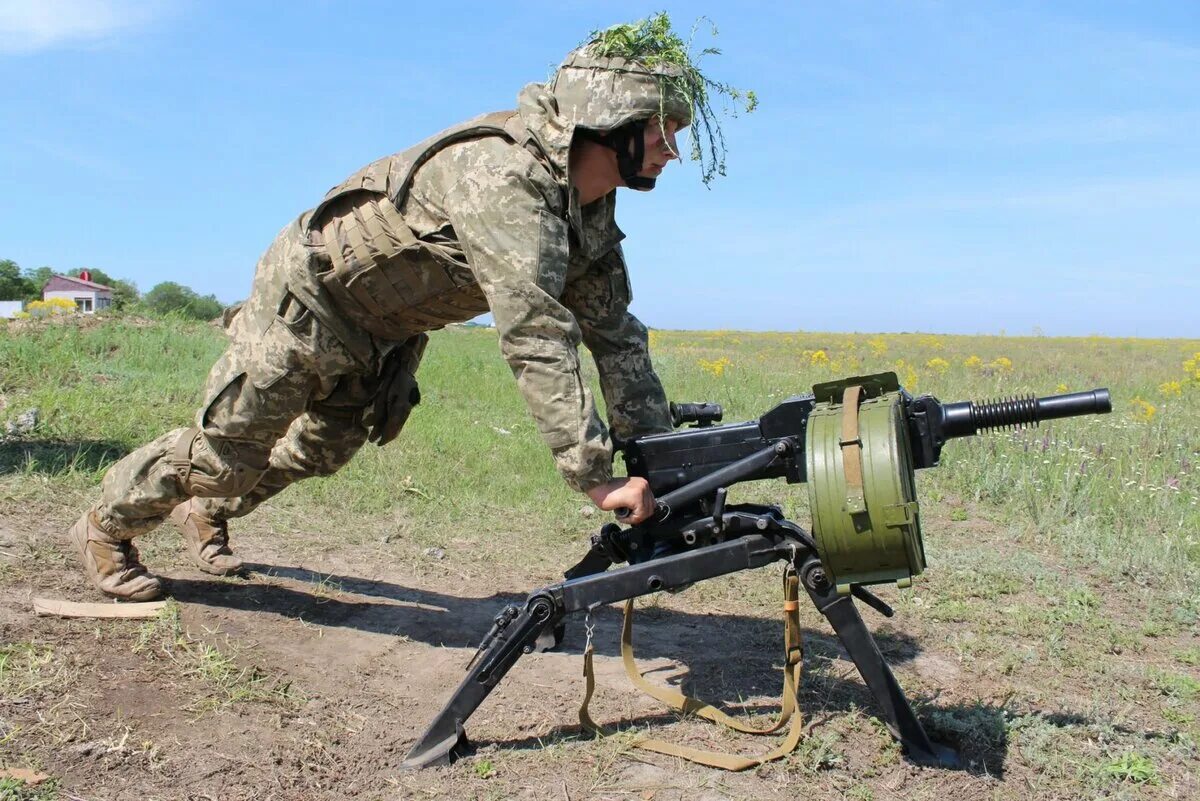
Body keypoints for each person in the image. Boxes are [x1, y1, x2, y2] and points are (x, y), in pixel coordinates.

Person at [70, 15, 751, 601]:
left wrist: (665, 460)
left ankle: (207, 511)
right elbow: (536, 332)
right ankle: (105, 526)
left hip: (384, 329)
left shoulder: (590, 210)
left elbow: (615, 336)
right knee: (226, 451)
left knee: (326, 444)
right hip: (312, 300)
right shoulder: (505, 178)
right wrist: (600, 477)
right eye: (662, 130)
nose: (673, 149)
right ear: (608, 122)